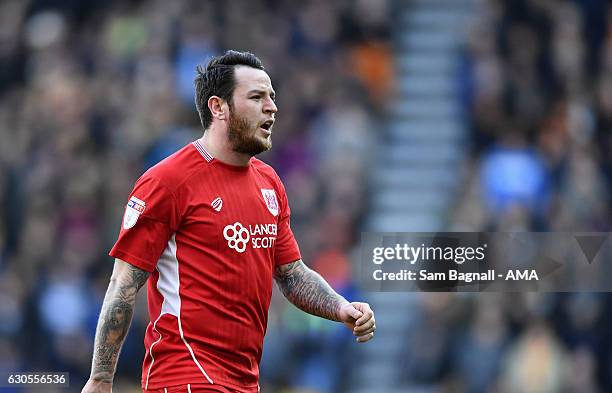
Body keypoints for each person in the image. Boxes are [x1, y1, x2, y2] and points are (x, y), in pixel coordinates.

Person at [81, 50, 375, 393]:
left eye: (272, 97)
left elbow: (292, 274)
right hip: (184, 377)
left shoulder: (269, 183)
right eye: (256, 97)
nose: (272, 107)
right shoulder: (168, 181)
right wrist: (101, 379)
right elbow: (123, 285)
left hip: (245, 382)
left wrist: (341, 308)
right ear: (218, 107)